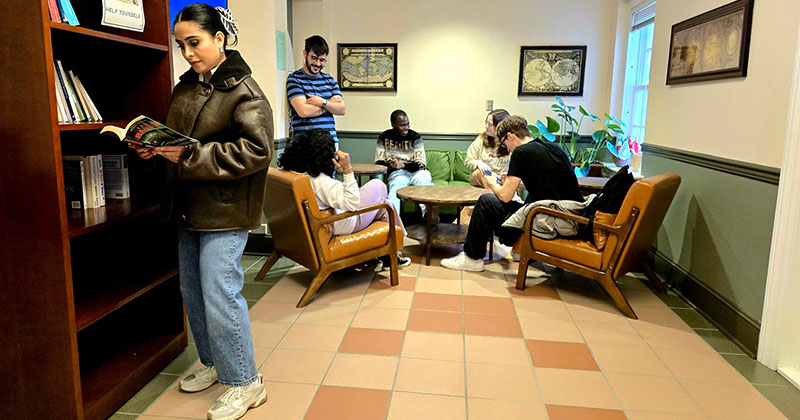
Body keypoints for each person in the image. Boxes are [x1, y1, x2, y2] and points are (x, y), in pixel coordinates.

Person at [129, 5, 272, 419]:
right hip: (187, 208)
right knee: (193, 292)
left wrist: (187, 155)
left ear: (219, 39)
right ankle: (214, 363)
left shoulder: (245, 91)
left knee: (220, 294)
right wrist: (153, 145)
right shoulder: (186, 88)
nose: (188, 53)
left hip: (225, 212)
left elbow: (257, 151)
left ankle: (246, 382)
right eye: (181, 45)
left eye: (195, 42)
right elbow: (178, 139)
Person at [441, 116, 583, 272]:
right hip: (571, 217)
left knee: (486, 201)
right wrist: (512, 183)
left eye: (504, 144)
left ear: (510, 136)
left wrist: (491, 182)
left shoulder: (521, 152)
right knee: (511, 201)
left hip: (548, 219)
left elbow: (504, 196)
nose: (507, 149)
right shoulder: (553, 148)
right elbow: (546, 186)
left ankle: (472, 258)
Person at [278, 129, 411, 269]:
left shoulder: (294, 172)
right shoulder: (320, 181)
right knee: (378, 185)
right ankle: (397, 247)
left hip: (324, 221)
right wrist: (347, 169)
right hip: (344, 221)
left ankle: (390, 256)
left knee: (386, 205)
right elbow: (351, 204)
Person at [286, 35, 346, 146]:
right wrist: (329, 105)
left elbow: (342, 109)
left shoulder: (330, 80)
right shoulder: (294, 79)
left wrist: (321, 102)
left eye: (322, 60)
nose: (318, 64)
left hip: (330, 143)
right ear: (305, 54)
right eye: (314, 58)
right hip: (304, 145)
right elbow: (303, 111)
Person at [375, 109, 433, 214]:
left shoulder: (415, 137)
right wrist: (389, 163)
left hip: (418, 172)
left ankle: (430, 217)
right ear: (393, 125)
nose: (406, 127)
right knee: (395, 191)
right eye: (402, 125)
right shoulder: (384, 137)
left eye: (407, 124)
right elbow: (379, 162)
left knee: (425, 184)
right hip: (397, 174)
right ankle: (394, 223)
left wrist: (402, 165)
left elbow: (421, 163)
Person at [465, 109, 512, 188]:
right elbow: (468, 161)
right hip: (481, 179)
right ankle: (494, 196)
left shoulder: (510, 143)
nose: (486, 126)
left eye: (490, 124)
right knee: (481, 173)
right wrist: (478, 163)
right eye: (486, 123)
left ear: (500, 126)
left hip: (502, 181)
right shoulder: (481, 139)